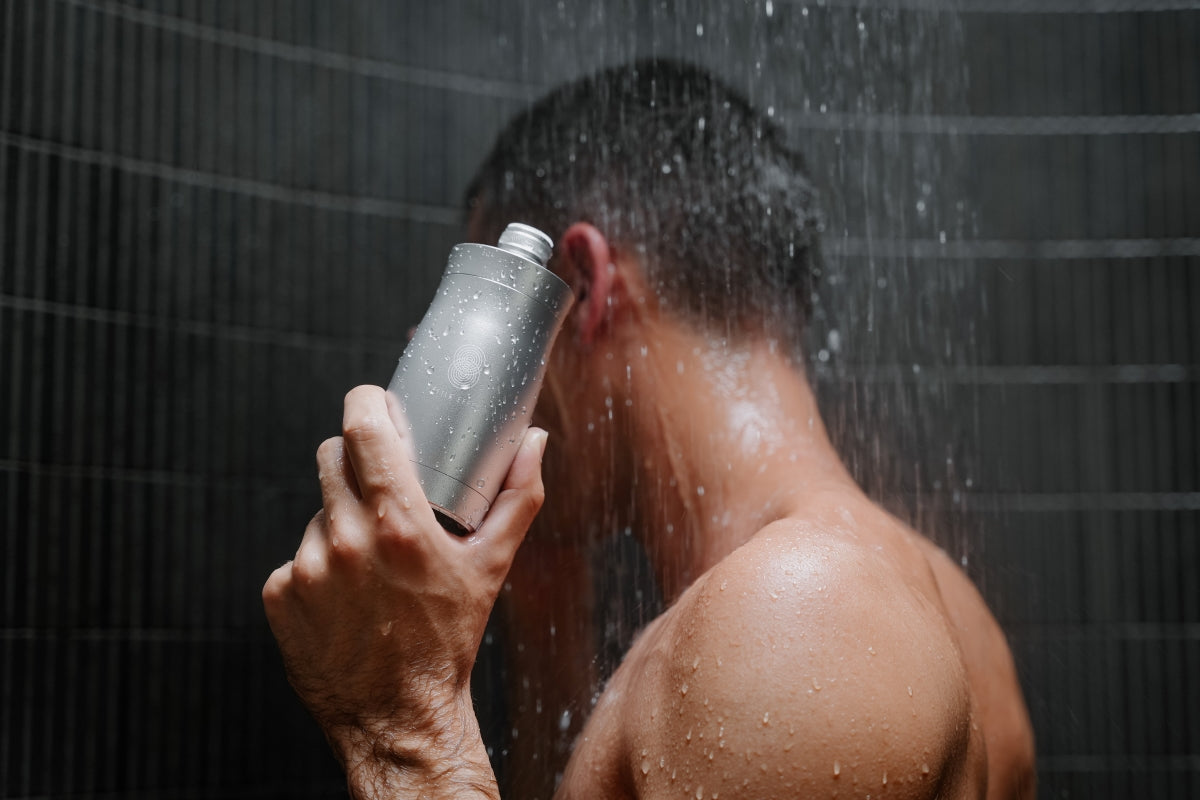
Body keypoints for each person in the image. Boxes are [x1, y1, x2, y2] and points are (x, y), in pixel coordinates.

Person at [262, 59, 1036, 799]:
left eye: (483, 318)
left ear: (588, 286)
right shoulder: (941, 607)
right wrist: (548, 613)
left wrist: (404, 727)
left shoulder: (797, 620)